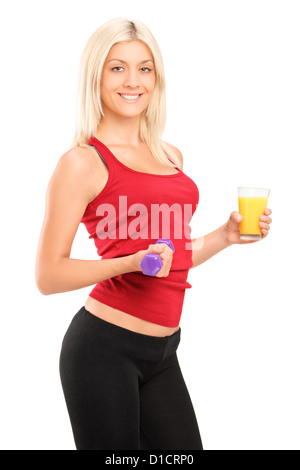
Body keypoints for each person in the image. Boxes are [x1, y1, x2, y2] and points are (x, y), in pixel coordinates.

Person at [35, 18, 272, 451]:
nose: (133, 81)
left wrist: (224, 235)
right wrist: (129, 263)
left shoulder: (170, 155)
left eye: (145, 68)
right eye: (117, 68)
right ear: (97, 76)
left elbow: (170, 254)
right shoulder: (82, 163)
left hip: (164, 353)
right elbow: (48, 276)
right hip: (103, 351)